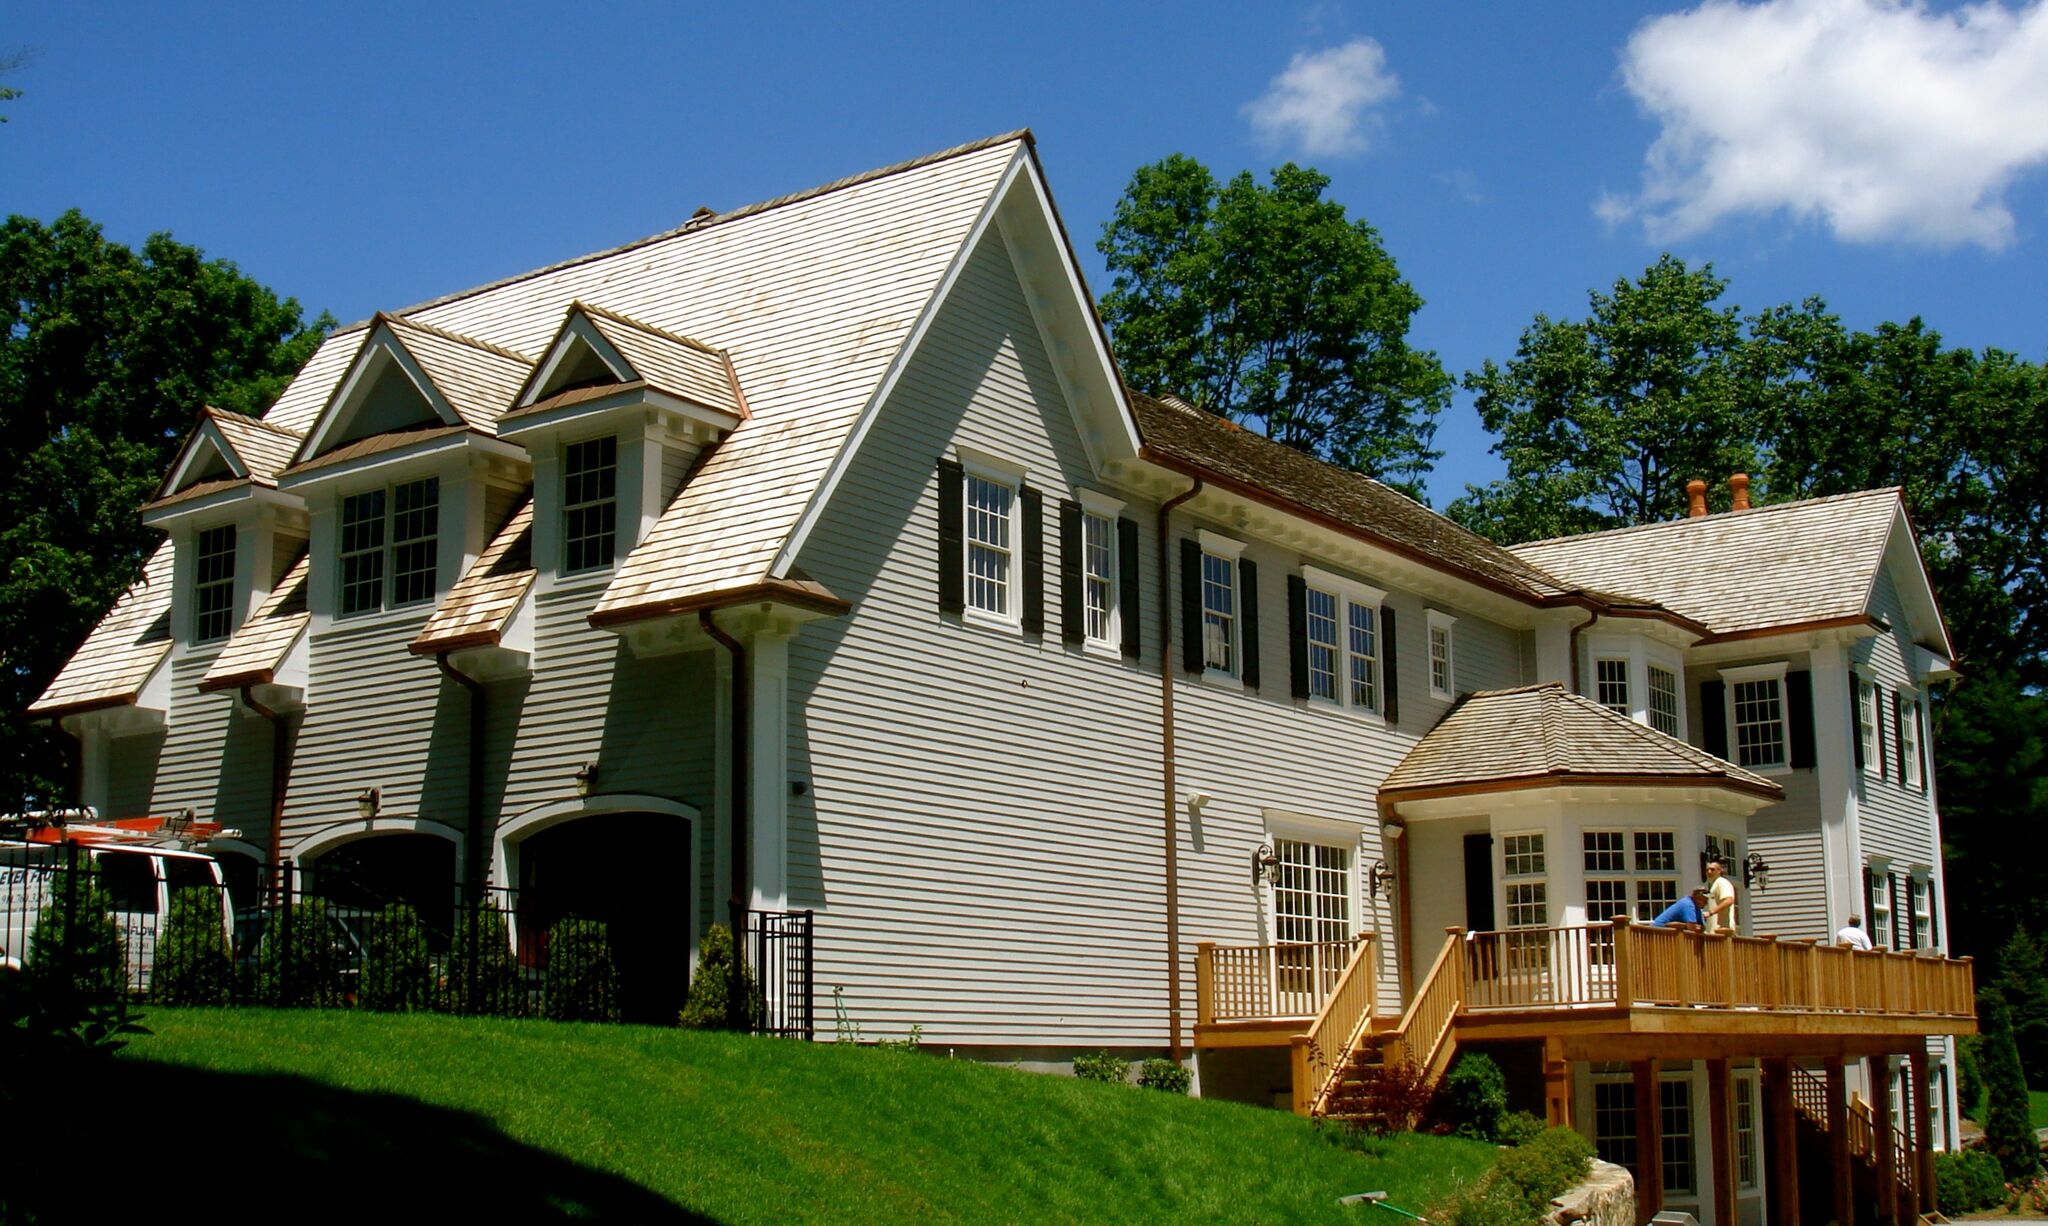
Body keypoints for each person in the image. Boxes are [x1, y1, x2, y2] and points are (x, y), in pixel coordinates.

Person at [1702, 857, 1738, 934]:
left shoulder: (1721, 882)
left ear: (1719, 871)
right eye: (1707, 870)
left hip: (1722, 931)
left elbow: (1729, 900)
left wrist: (1710, 912)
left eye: (1712, 869)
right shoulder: (1715, 884)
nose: (1709, 872)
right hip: (1716, 931)